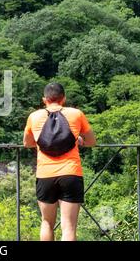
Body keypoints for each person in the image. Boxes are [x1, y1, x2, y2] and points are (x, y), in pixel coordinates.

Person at [23, 83, 96, 241]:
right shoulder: (76, 114)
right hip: (71, 173)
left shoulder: (34, 117)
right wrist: (79, 140)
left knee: (47, 223)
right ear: (64, 98)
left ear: (44, 100)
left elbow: (27, 143)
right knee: (68, 227)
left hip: (45, 175)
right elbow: (91, 141)